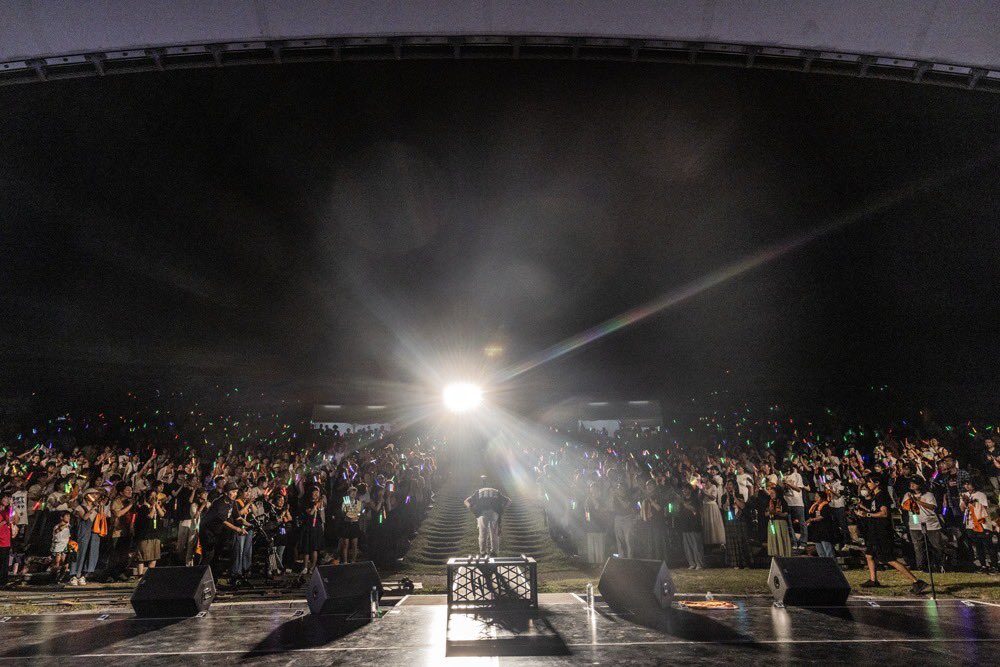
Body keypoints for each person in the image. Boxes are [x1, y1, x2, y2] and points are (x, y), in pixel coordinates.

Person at [858, 475, 928, 593]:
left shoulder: (882, 495)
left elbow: (884, 513)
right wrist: (864, 510)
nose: (867, 485)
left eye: (869, 482)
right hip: (875, 531)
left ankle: (916, 581)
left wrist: (867, 515)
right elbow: (875, 511)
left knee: (889, 559)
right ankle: (873, 580)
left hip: (882, 532)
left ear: (877, 483)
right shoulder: (875, 496)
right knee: (869, 555)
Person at [198, 483, 245, 581]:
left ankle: (213, 580)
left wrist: (250, 524)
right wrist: (237, 529)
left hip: (218, 533)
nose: (235, 494)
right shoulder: (219, 503)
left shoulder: (232, 502)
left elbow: (238, 517)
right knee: (208, 556)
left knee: (217, 556)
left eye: (236, 492)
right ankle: (199, 578)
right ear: (226, 493)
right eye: (233, 492)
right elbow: (223, 521)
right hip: (208, 532)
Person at [903, 478, 943, 573]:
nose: (912, 485)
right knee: (918, 546)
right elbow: (904, 507)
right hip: (915, 521)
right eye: (911, 483)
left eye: (914, 483)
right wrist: (910, 500)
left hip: (930, 523)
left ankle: (939, 565)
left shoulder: (928, 495)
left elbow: (932, 506)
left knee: (936, 545)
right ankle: (921, 566)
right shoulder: (908, 495)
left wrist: (918, 501)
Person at [464, 476, 510, 557]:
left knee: (483, 533)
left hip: (482, 513)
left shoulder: (478, 491)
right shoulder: (496, 491)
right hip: (494, 513)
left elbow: (466, 501)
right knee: (494, 533)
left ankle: (483, 552)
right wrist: (502, 509)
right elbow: (509, 501)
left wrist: (471, 508)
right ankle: (494, 552)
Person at [960, 479, 995, 572]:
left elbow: (984, 507)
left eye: (969, 484)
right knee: (978, 546)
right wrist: (964, 502)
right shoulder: (964, 495)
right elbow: (962, 509)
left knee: (988, 545)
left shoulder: (981, 495)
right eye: (965, 484)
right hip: (970, 524)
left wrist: (971, 502)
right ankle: (983, 565)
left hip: (982, 523)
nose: (967, 486)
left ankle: (994, 565)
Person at [68, 488, 102, 586]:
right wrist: (93, 509)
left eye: (96, 494)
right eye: (93, 494)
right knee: (79, 552)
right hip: (82, 531)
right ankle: (75, 575)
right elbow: (85, 517)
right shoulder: (80, 507)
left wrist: (100, 508)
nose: (95, 496)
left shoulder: (98, 507)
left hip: (94, 532)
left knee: (91, 552)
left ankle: (84, 574)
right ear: (87, 496)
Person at [720, 479, 750, 567]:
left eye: (731, 484)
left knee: (741, 540)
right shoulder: (724, 497)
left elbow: (742, 506)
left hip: (739, 520)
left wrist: (734, 497)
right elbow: (725, 508)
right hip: (730, 520)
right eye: (728, 485)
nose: (729, 486)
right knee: (732, 542)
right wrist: (728, 498)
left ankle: (743, 562)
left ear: (734, 486)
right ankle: (734, 563)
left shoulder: (739, 495)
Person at [298, 485, 325, 574]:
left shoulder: (320, 503)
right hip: (308, 526)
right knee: (306, 548)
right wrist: (315, 506)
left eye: (317, 493)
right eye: (314, 492)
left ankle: (312, 567)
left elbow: (321, 511)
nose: (316, 494)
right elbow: (310, 513)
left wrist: (319, 504)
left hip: (316, 527)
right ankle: (305, 567)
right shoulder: (306, 503)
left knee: (314, 548)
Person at [678, 485, 703, 569]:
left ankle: (699, 563)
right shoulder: (682, 500)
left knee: (696, 545)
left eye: (686, 489)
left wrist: (683, 503)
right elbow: (679, 511)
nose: (684, 491)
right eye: (683, 489)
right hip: (685, 524)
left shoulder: (695, 499)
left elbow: (694, 509)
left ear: (690, 490)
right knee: (687, 545)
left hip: (694, 524)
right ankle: (691, 563)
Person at [782, 464, 808, 548]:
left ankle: (803, 542)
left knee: (802, 523)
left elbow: (799, 489)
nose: (787, 472)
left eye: (788, 470)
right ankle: (794, 542)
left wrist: (789, 484)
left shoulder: (797, 475)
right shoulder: (783, 476)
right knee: (790, 525)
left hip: (797, 503)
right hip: (787, 503)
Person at [806, 488, 836, 558]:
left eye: (817, 496)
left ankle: (831, 563)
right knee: (820, 552)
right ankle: (823, 563)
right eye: (815, 496)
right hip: (817, 531)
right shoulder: (815, 506)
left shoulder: (826, 506)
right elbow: (812, 515)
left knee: (827, 551)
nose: (815, 498)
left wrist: (812, 519)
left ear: (822, 498)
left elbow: (822, 516)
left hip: (824, 531)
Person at [339, 486, 364, 564]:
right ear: (348, 493)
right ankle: (345, 561)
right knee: (345, 544)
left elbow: (357, 514)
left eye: (355, 492)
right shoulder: (345, 501)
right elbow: (346, 513)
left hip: (354, 524)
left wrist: (354, 513)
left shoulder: (358, 502)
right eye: (352, 492)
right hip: (347, 524)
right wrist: (352, 513)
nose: (353, 493)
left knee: (354, 544)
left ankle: (353, 560)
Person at [0, 493, 17, 588]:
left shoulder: (7, 511)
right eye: (5, 498)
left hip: (5, 539)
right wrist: (4, 522)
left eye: (8, 498)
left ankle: (3, 582)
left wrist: (12, 507)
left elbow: (12, 519)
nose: (7, 500)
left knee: (4, 562)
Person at [50, 511, 71, 577]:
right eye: (67, 516)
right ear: (61, 517)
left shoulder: (68, 527)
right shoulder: (57, 526)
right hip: (57, 546)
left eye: (69, 516)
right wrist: (65, 525)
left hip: (65, 546)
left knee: (64, 562)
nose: (69, 517)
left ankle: (62, 576)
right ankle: (54, 576)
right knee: (57, 562)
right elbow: (57, 531)